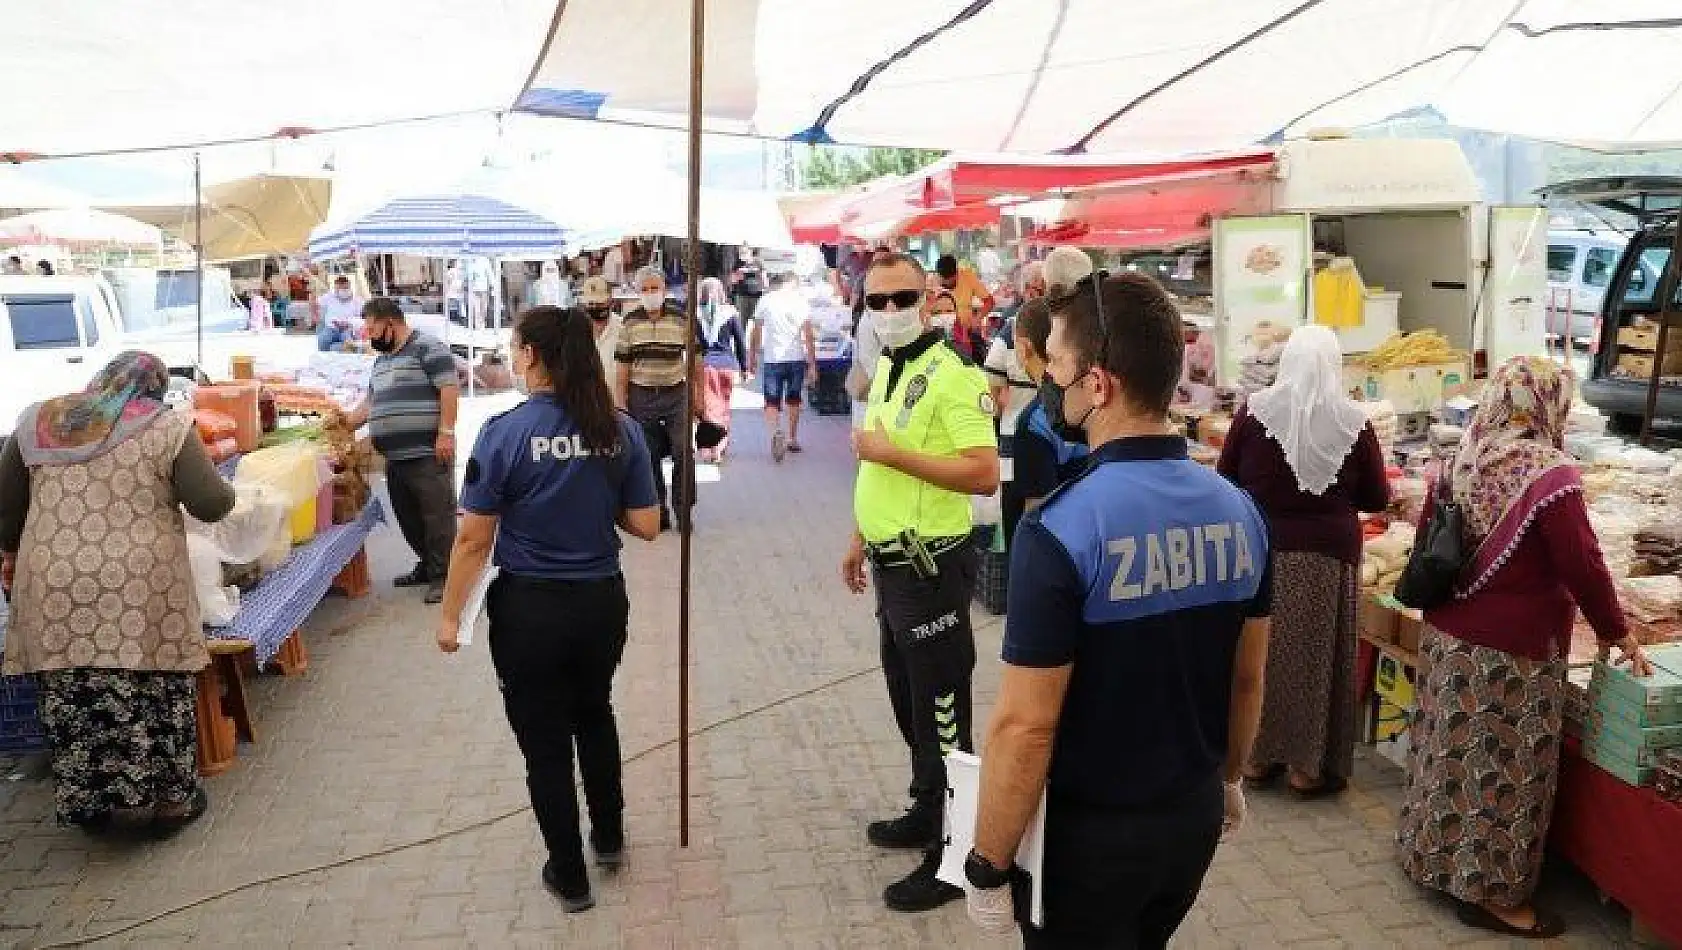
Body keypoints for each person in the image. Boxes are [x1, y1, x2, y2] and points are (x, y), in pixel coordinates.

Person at [965, 272, 1271, 949]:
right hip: (1190, 825)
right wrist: (1228, 780)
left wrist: (986, 862)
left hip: (1087, 845)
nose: (1051, 381)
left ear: (1098, 384)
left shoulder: (1061, 532)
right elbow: (1247, 680)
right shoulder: (1240, 511)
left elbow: (1025, 727)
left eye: (1062, 367)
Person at [1397, 356, 1652, 940]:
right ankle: (1493, 896)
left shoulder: (1466, 453)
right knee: (1503, 769)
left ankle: (1434, 859)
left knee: (1450, 755)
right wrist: (1616, 630)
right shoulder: (1549, 474)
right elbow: (1583, 563)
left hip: (1449, 636)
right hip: (1510, 652)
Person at [437, 304, 661, 913]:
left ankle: (570, 874)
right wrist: (592, 499)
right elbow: (647, 524)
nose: (511, 357)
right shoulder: (618, 428)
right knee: (594, 713)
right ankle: (609, 838)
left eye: (515, 348)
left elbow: (473, 539)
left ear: (532, 354)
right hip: (599, 604)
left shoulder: (504, 432)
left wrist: (451, 617)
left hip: (530, 609)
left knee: (543, 741)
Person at [0, 352, 235, 834]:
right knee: (150, 680)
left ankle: (92, 805)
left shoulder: (36, 420)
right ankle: (169, 802)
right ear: (154, 386)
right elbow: (210, 503)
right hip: (138, 584)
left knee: (73, 687)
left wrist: (10, 552)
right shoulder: (166, 425)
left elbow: (5, 508)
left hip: (51, 581)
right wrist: (227, 490)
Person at [841, 252, 1000, 913]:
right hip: (891, 561)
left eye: (899, 297)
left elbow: (984, 472)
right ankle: (926, 808)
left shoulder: (953, 374)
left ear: (928, 295)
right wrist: (858, 538)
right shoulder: (890, 368)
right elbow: (879, 471)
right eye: (874, 302)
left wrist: (893, 453)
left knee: (942, 717)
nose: (887, 312)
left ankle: (955, 856)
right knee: (907, 702)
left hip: (933, 567)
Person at [1216, 326, 1389, 796]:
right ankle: (1307, 768)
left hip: (1262, 552)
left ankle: (1254, 757)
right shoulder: (1355, 422)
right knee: (1316, 661)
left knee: (1259, 656)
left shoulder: (1255, 413)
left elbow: (1225, 476)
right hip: (1327, 560)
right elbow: (1377, 495)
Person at [337, 298, 460, 603]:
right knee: (409, 516)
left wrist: (446, 432)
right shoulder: (381, 362)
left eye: (372, 328)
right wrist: (345, 423)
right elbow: (370, 403)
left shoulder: (428, 347)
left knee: (437, 517)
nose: (369, 335)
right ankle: (428, 565)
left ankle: (445, 576)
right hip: (395, 457)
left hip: (427, 452)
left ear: (390, 323)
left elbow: (449, 388)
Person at [615, 266, 701, 532]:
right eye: (646, 289)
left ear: (665, 291)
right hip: (642, 397)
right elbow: (622, 368)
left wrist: (697, 398)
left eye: (656, 288)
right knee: (648, 456)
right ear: (639, 293)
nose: (651, 294)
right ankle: (659, 512)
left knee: (683, 452)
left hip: (676, 394)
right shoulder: (630, 323)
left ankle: (683, 510)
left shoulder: (680, 318)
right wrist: (621, 403)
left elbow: (695, 361)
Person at [1000, 297, 1088, 547]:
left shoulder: (1034, 423)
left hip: (1057, 557)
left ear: (1023, 348)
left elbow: (1037, 517)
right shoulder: (1089, 402)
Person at [751, 269, 818, 462]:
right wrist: (812, 363)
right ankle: (792, 438)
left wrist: (752, 356)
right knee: (794, 399)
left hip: (773, 358)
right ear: (793, 284)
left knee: (772, 401)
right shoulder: (800, 301)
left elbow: (757, 330)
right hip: (796, 358)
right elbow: (808, 335)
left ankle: (775, 431)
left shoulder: (767, 300)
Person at [695, 277, 747, 463]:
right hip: (726, 366)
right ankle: (719, 446)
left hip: (704, 366)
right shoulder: (730, 313)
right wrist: (744, 368)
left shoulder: (696, 314)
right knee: (724, 407)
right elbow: (741, 342)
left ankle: (708, 448)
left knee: (707, 408)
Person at [935, 254, 995, 362]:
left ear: (957, 272)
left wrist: (977, 318)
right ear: (938, 275)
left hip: (967, 334)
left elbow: (989, 301)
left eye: (952, 282)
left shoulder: (967, 276)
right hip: (939, 337)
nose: (949, 285)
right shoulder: (931, 285)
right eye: (944, 283)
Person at [578, 275, 622, 376]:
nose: (595, 307)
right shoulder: (577, 330)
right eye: (591, 303)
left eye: (600, 303)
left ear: (611, 301)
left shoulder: (623, 328)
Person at [316, 275, 363, 351]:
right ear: (335, 288)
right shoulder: (329, 296)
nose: (343, 291)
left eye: (345, 288)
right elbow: (316, 303)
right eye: (340, 289)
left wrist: (349, 323)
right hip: (331, 328)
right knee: (322, 340)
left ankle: (338, 349)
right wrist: (316, 316)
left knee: (348, 344)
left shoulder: (357, 300)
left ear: (349, 286)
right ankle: (331, 353)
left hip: (348, 329)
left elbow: (361, 317)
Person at [730, 246, 765, 328]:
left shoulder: (758, 261)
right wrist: (739, 274)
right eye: (741, 252)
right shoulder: (738, 263)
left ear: (750, 251)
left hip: (756, 295)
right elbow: (733, 280)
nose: (742, 254)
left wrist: (763, 287)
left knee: (756, 318)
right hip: (742, 295)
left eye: (744, 252)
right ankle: (742, 338)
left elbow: (763, 276)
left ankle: (754, 337)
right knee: (742, 319)